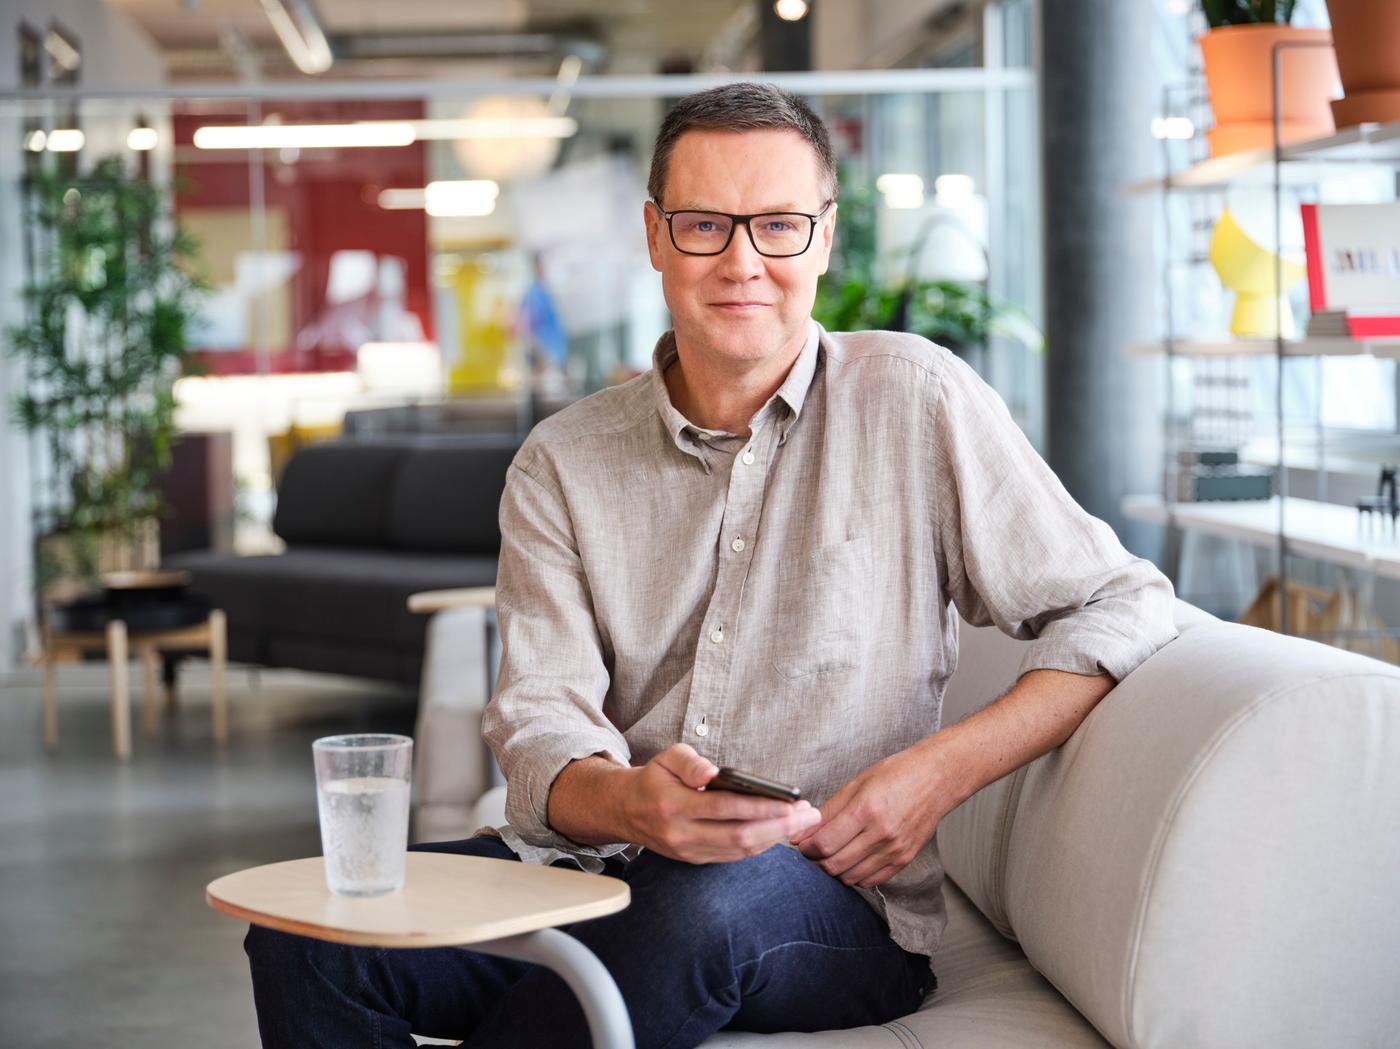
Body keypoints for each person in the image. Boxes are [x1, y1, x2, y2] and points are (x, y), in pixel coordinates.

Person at [243, 81, 1179, 1049]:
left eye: (776, 224)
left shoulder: (917, 403)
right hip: (598, 870)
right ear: (654, 237)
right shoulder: (558, 464)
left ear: (822, 238)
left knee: (703, 903)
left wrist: (934, 774)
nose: (742, 261)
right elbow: (538, 731)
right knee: (305, 937)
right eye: (702, 225)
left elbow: (1120, 599)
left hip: (826, 903)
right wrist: (631, 803)